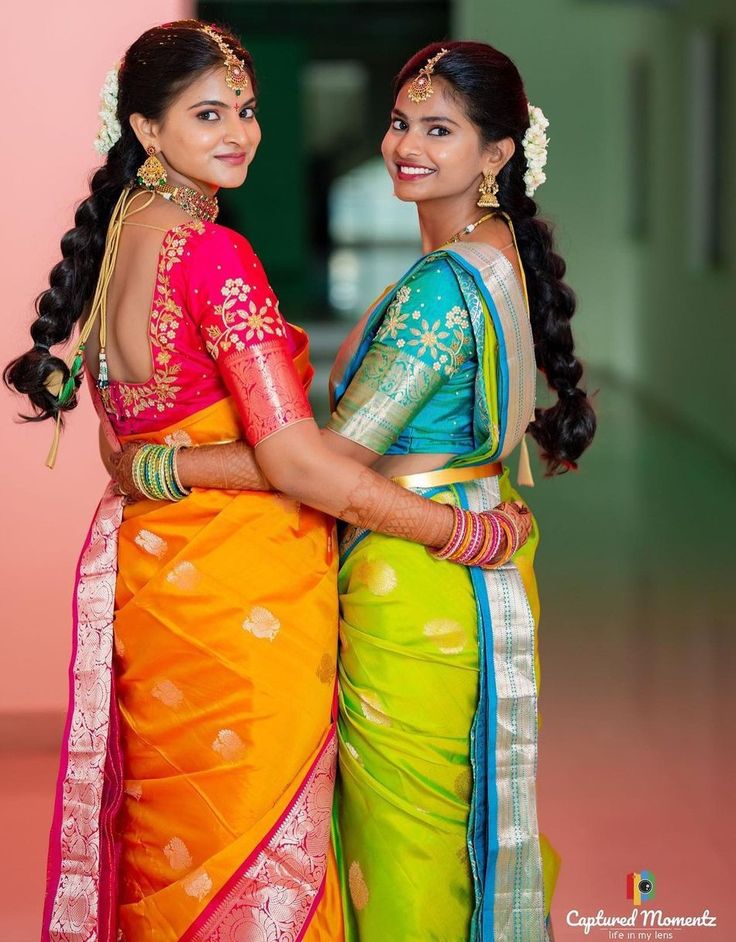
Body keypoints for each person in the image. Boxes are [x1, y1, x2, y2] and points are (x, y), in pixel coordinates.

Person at [5, 23, 532, 942]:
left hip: (154, 578)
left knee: (170, 846)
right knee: (253, 857)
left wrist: (155, 467)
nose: (239, 133)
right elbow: (298, 457)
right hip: (244, 592)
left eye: (244, 111)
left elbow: (125, 446)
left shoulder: (120, 242)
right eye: (208, 114)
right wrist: (453, 531)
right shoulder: (215, 258)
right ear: (146, 128)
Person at [114, 39, 598, 942]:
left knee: (406, 849)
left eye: (440, 130)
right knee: (453, 830)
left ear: (497, 154)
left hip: (415, 580)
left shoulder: (437, 290)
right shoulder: (493, 255)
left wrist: (162, 464)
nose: (405, 145)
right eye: (401, 122)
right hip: (460, 550)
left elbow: (321, 456)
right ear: (147, 130)